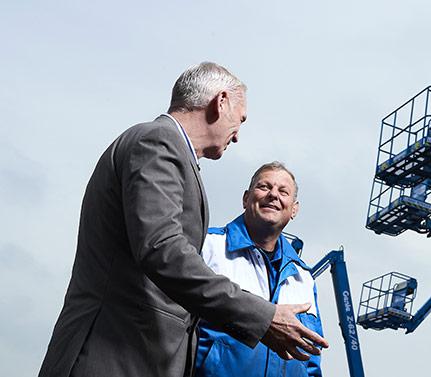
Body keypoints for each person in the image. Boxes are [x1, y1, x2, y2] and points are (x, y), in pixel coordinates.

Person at [39, 62, 327, 377]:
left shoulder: (168, 151)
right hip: (113, 357)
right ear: (221, 102)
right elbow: (162, 249)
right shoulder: (157, 142)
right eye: (240, 120)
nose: (237, 136)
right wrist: (263, 317)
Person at [195, 162, 322, 377]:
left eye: (283, 191)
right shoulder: (208, 247)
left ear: (294, 209)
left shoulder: (304, 278)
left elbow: (311, 360)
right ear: (246, 198)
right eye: (264, 187)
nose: (273, 195)